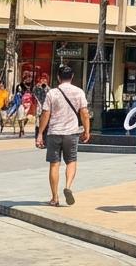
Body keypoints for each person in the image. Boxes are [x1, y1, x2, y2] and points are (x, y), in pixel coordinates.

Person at [35, 65, 90, 207]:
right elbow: (84, 113)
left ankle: (54, 197)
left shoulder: (52, 93)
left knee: (54, 164)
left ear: (58, 77)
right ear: (72, 77)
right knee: (71, 161)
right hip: (71, 133)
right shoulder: (79, 92)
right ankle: (68, 186)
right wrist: (87, 130)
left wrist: (40, 133)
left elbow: (45, 114)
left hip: (54, 133)